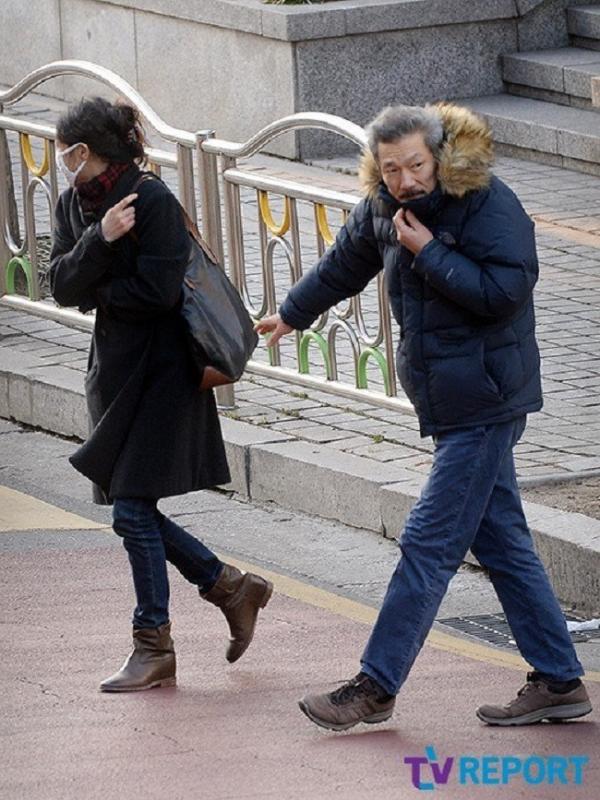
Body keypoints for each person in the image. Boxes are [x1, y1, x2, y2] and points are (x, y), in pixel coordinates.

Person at [256, 103, 592, 730]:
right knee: (503, 541)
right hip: (449, 400)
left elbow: (506, 292)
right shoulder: (384, 208)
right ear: (377, 171)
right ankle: (560, 679)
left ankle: (375, 686)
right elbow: (345, 262)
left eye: (415, 164)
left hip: (488, 400)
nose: (406, 180)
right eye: (391, 170)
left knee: (427, 542)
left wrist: (431, 251)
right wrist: (292, 313)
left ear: (437, 154)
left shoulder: (489, 202)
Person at [50, 97, 272, 693]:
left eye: (65, 150)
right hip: (114, 372)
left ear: (88, 151)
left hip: (166, 371)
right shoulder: (77, 204)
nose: (61, 161)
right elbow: (61, 285)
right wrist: (98, 240)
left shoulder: (152, 201)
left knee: (129, 506)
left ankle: (155, 644)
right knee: (135, 508)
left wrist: (96, 284)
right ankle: (230, 587)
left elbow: (157, 292)